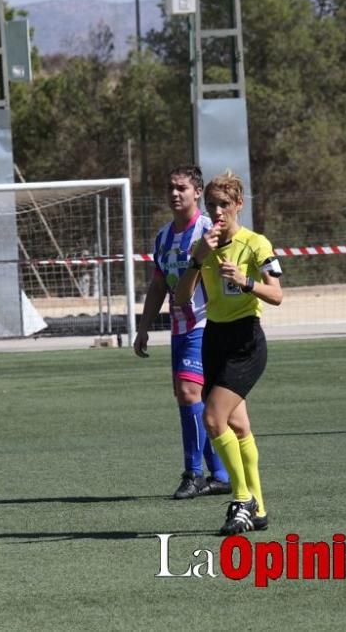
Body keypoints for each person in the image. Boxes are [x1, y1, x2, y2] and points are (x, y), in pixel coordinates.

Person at [175, 171, 282, 535]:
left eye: (224, 204)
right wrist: (196, 259)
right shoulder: (202, 246)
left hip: (246, 343)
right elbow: (181, 298)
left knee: (212, 419)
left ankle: (242, 498)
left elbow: (278, 294)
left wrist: (246, 281)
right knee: (237, 426)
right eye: (211, 205)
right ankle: (261, 509)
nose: (217, 211)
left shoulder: (256, 244)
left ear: (239, 205)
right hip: (213, 340)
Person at [133, 165, 231, 499]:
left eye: (182, 188)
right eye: (171, 188)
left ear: (197, 192)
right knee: (190, 397)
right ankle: (219, 474)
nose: (175, 194)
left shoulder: (209, 231)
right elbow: (159, 284)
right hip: (178, 329)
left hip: (206, 326)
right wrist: (143, 328)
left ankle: (193, 474)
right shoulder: (163, 236)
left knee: (191, 393)